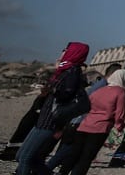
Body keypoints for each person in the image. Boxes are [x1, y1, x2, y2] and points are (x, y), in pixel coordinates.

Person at [17, 42, 90, 175]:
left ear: (73, 53)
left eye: (66, 50)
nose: (63, 52)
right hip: (44, 118)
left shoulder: (72, 72)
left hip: (50, 121)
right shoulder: (65, 70)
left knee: (25, 158)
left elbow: (65, 95)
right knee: (24, 156)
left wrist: (52, 88)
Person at [68, 68, 125, 175]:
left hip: (84, 125)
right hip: (100, 128)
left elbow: (87, 105)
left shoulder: (100, 90)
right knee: (86, 158)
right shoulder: (120, 91)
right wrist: (120, 126)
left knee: (74, 155)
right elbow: (120, 113)